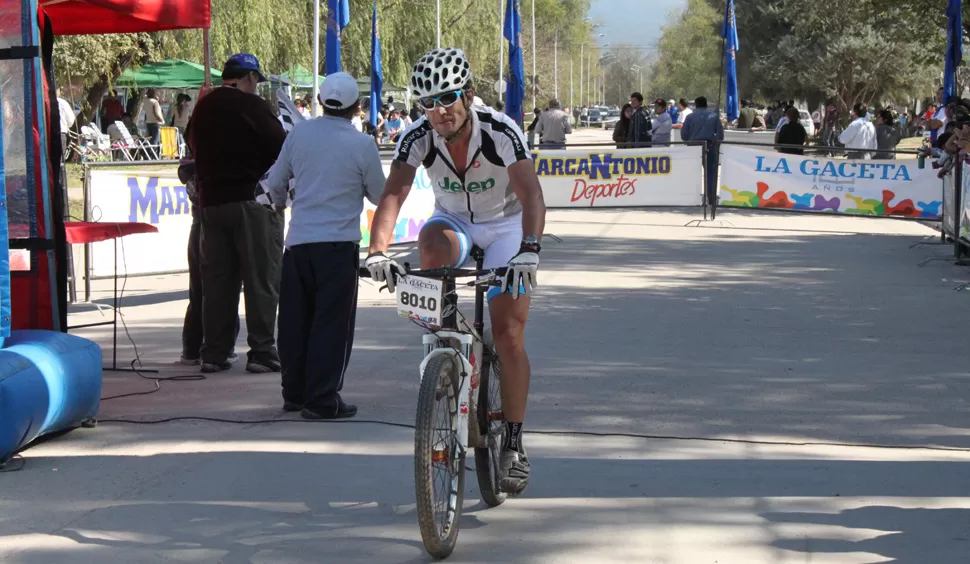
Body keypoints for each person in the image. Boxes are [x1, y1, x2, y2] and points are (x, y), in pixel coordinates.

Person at [364, 47, 546, 496]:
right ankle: (446, 344)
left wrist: (528, 250)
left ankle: (515, 446)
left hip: (505, 226)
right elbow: (393, 194)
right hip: (456, 223)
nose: (439, 111)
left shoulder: (501, 130)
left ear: (467, 94)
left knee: (508, 336)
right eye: (427, 102)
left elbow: (531, 193)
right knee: (430, 245)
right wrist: (378, 252)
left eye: (447, 98)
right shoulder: (417, 136)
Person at [257, 73, 386, 420]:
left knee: (295, 320)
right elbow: (379, 194)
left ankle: (294, 392)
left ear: (320, 100)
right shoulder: (362, 145)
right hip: (339, 244)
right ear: (356, 107)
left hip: (298, 243)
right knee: (332, 323)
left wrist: (283, 203)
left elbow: (276, 182)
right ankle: (321, 397)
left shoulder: (299, 134)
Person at [187, 52, 287, 374]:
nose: (256, 86)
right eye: (256, 80)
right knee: (260, 277)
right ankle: (261, 351)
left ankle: (214, 353)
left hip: (211, 204)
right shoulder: (253, 106)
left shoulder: (203, 107)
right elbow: (281, 146)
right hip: (251, 202)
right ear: (247, 78)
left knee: (218, 282)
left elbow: (192, 144)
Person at [680, 96, 724, 206]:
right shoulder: (714, 117)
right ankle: (711, 198)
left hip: (694, 147)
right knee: (710, 173)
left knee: (693, 172)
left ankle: (692, 197)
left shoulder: (690, 117)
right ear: (706, 104)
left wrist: (690, 140)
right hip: (710, 145)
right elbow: (720, 135)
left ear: (695, 105)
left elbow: (684, 135)